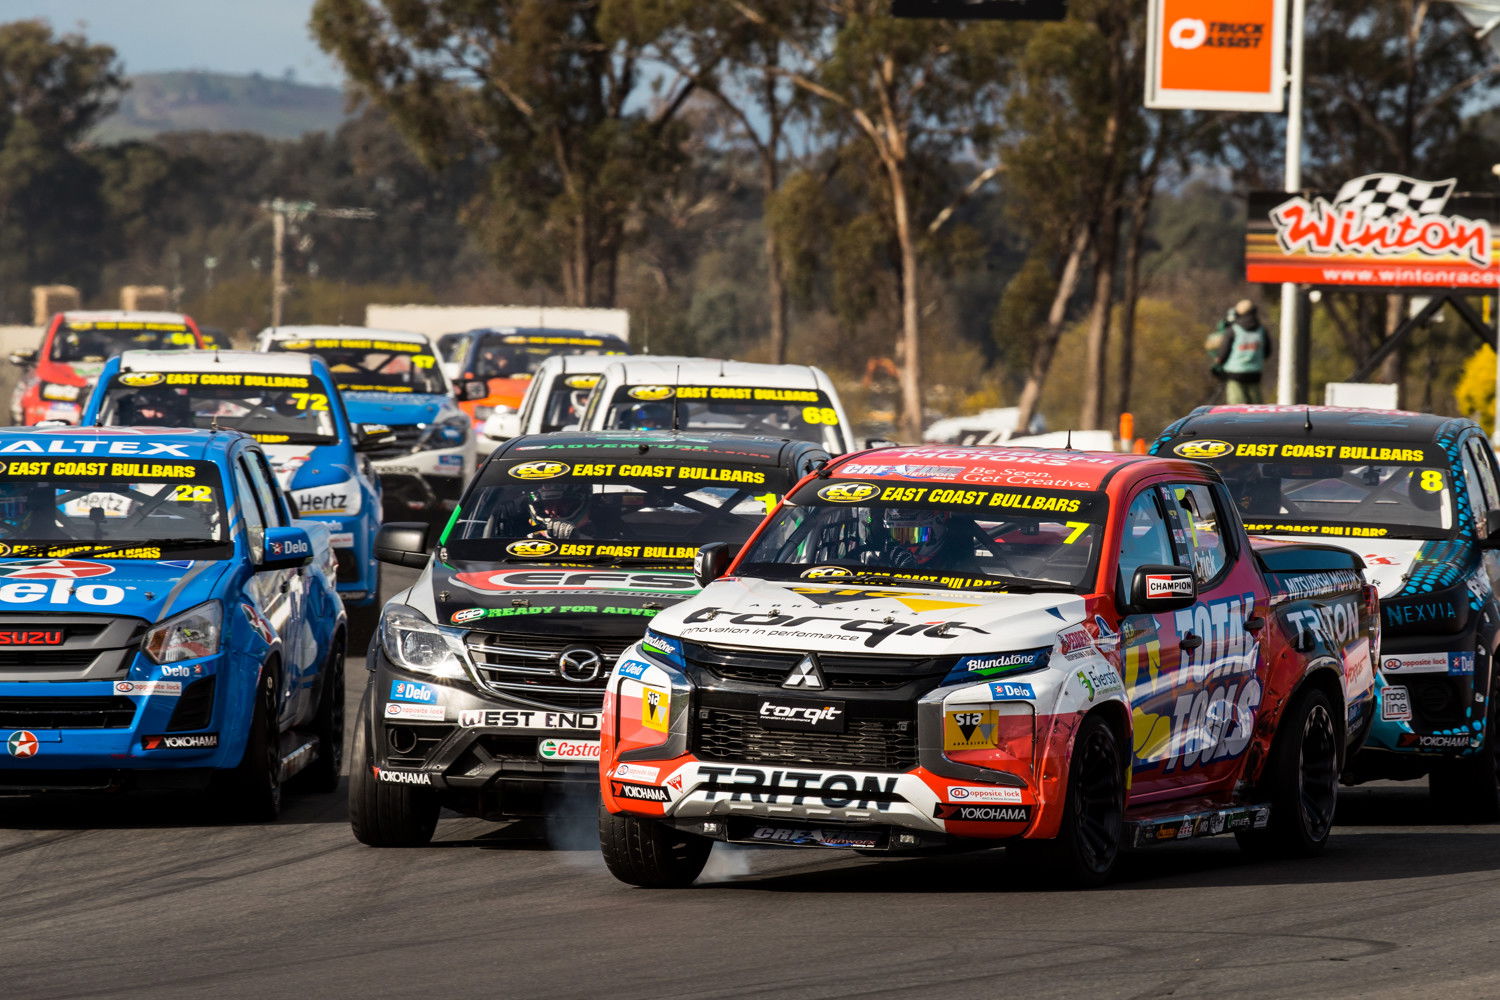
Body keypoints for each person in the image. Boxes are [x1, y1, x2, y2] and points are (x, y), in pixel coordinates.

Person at [1209, 300, 1273, 405]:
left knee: (1236, 407)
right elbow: (1267, 352)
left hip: (1234, 374)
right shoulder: (1262, 330)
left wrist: (1218, 363)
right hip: (1255, 374)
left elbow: (1224, 352)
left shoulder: (1233, 330)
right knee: (1256, 408)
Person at [125, 388, 191, 426]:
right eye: (149, 408)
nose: (153, 412)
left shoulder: (181, 429)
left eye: (159, 409)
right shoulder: (127, 426)